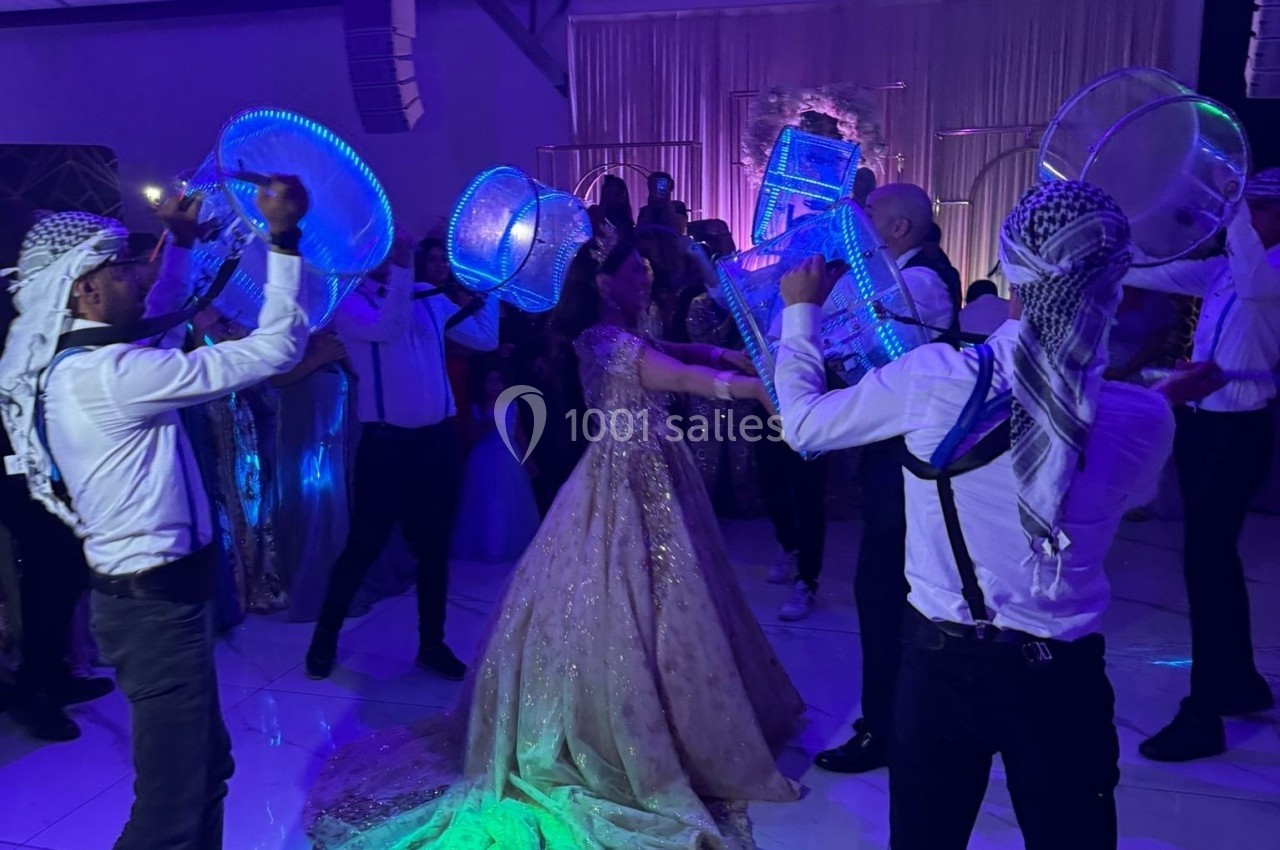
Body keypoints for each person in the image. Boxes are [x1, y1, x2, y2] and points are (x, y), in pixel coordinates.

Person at [305, 238, 805, 849]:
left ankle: (680, 716)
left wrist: (731, 352)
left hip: (653, 470)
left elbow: (679, 349)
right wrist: (747, 387)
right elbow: (676, 374)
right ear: (602, 283)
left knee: (671, 597)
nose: (645, 279)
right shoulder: (604, 338)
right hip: (624, 477)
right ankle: (626, 730)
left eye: (646, 270)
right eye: (633, 271)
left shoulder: (623, 329)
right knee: (624, 600)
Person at [775, 180, 1224, 850]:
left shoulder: (933, 378)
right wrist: (1156, 398)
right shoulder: (1144, 416)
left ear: (1009, 272)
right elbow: (1124, 498)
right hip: (1060, 679)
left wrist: (800, 315)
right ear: (1117, 287)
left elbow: (804, 426)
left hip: (936, 668)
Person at [0, 178, 311, 848]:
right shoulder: (108, 374)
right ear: (83, 290)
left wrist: (184, 246)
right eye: (119, 272)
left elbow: (158, 313)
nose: (136, 276)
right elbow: (275, 351)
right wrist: (284, 239)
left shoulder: (92, 359)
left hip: (161, 605)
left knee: (205, 772)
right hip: (154, 614)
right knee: (170, 806)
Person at [1121, 169, 1280, 761]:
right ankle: (1237, 683)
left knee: (1209, 567)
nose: (1245, 218)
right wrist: (1109, 250)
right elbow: (1151, 270)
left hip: (1237, 434)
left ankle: (1205, 713)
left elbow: (1259, 289)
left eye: (1259, 208)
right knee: (1210, 564)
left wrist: (1229, 203)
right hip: (1207, 425)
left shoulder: (1269, 274)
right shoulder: (1222, 270)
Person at [305, 230, 498, 682]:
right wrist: (406, 268)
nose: (384, 251)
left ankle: (432, 645)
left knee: (435, 549)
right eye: (374, 246)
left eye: (386, 244)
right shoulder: (349, 302)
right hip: (387, 445)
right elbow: (387, 329)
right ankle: (324, 639)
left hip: (438, 441)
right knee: (363, 546)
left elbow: (486, 339)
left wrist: (490, 285)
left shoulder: (423, 296)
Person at [813, 182, 960, 772]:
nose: (861, 227)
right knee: (889, 590)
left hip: (908, 458)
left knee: (886, 592)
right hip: (900, 452)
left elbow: (856, 344)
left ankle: (888, 729)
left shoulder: (918, 282)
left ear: (897, 229)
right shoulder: (902, 276)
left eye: (869, 217)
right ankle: (898, 721)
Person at [450, 358, 541, 563]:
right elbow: (470, 437)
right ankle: (485, 546)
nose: (494, 386)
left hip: (508, 460)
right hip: (483, 461)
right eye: (490, 381)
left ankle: (503, 545)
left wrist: (530, 461)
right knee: (483, 500)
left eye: (499, 381)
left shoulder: (512, 405)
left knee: (505, 502)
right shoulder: (476, 409)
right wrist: (486, 425)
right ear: (482, 384)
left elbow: (520, 434)